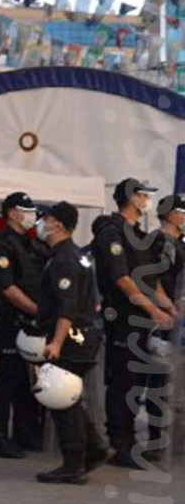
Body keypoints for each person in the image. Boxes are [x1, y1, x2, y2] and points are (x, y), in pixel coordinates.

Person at [91, 178, 175, 469]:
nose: (146, 200)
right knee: (123, 382)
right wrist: (153, 309)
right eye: (142, 195)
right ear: (130, 197)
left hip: (142, 320)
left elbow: (151, 279)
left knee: (137, 382)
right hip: (123, 317)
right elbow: (122, 279)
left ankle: (128, 440)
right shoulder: (111, 232)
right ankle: (120, 443)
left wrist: (169, 308)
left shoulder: (139, 235)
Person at [33, 202, 111, 484]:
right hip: (81, 334)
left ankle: (73, 464)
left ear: (59, 224)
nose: (41, 223)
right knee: (69, 397)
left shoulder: (64, 259)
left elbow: (67, 307)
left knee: (59, 397)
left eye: (46, 219)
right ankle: (94, 448)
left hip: (71, 337)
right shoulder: (72, 255)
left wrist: (56, 342)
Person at [0, 192, 47, 459]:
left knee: (26, 379)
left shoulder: (30, 244)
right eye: (25, 210)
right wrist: (38, 311)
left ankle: (25, 432)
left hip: (32, 322)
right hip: (13, 320)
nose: (31, 215)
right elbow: (7, 288)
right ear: (12, 213)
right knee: (9, 378)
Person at [143, 194, 185, 463]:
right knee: (159, 381)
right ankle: (156, 440)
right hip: (164, 321)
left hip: (176, 319)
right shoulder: (159, 242)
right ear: (171, 215)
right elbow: (153, 279)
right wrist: (169, 308)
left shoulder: (178, 243)